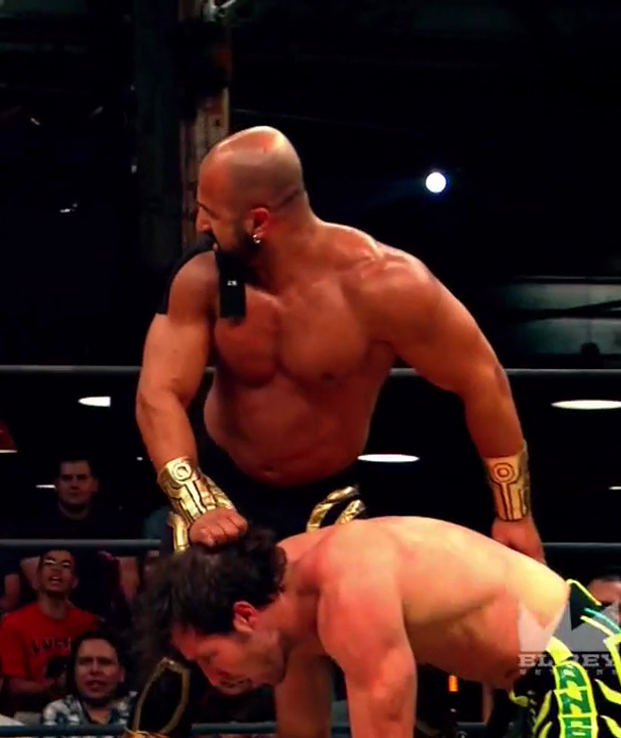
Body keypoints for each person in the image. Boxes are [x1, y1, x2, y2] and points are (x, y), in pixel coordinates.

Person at [134, 125, 543, 731]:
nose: (198, 225)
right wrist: (197, 501)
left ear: (259, 221)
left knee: (347, 647)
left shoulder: (386, 284)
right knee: (191, 648)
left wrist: (514, 514)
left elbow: (483, 381)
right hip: (223, 485)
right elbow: (157, 394)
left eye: (210, 213)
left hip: (329, 501)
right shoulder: (204, 279)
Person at [134, 517, 621, 738]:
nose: (214, 679)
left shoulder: (347, 586)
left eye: (210, 657)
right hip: (529, 681)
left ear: (245, 616)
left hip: (580, 655)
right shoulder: (288, 616)